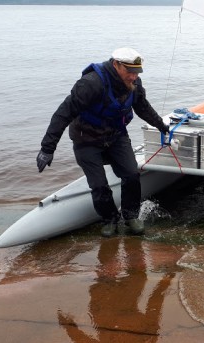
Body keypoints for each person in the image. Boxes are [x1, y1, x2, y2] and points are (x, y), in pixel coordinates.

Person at [36, 47, 169, 237]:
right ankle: (110, 219)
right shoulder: (90, 83)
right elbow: (62, 114)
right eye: (130, 72)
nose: (134, 77)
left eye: (137, 72)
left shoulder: (133, 83)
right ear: (116, 65)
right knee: (99, 185)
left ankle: (131, 216)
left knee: (131, 174)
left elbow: (143, 107)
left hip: (116, 136)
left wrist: (162, 126)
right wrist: (47, 149)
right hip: (86, 139)